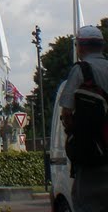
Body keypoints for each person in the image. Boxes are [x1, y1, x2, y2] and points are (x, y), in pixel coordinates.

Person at [60, 24, 108, 212]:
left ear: (80, 47)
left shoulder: (81, 70)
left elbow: (67, 111)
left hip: (92, 157)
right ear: (102, 46)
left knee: (86, 203)